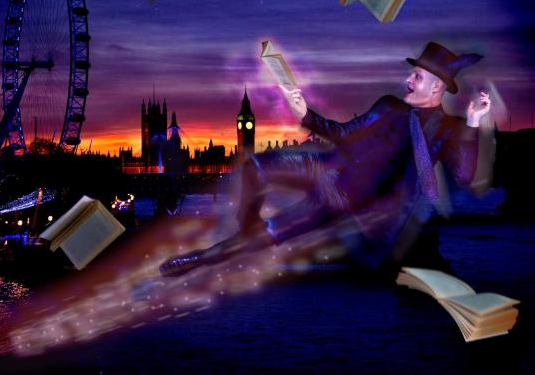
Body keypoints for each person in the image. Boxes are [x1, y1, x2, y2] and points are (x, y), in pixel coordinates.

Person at [159, 42, 492, 277]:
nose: (408, 79)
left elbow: (463, 174)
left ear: (436, 88)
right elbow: (346, 132)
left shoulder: (448, 129)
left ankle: (199, 259)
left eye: (417, 77)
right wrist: (306, 114)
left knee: (267, 235)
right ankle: (244, 225)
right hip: (326, 165)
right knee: (254, 167)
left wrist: (474, 122)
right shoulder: (389, 105)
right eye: (412, 73)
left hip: (341, 199)